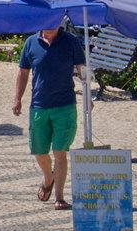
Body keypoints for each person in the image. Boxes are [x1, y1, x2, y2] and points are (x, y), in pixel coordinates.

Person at [13, 25, 87, 210]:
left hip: (65, 105)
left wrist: (87, 96)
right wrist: (17, 99)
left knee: (60, 152)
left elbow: (82, 69)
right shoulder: (31, 43)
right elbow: (23, 71)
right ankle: (48, 177)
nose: (50, 25)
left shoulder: (70, 41)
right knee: (39, 151)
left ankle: (59, 197)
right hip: (39, 106)